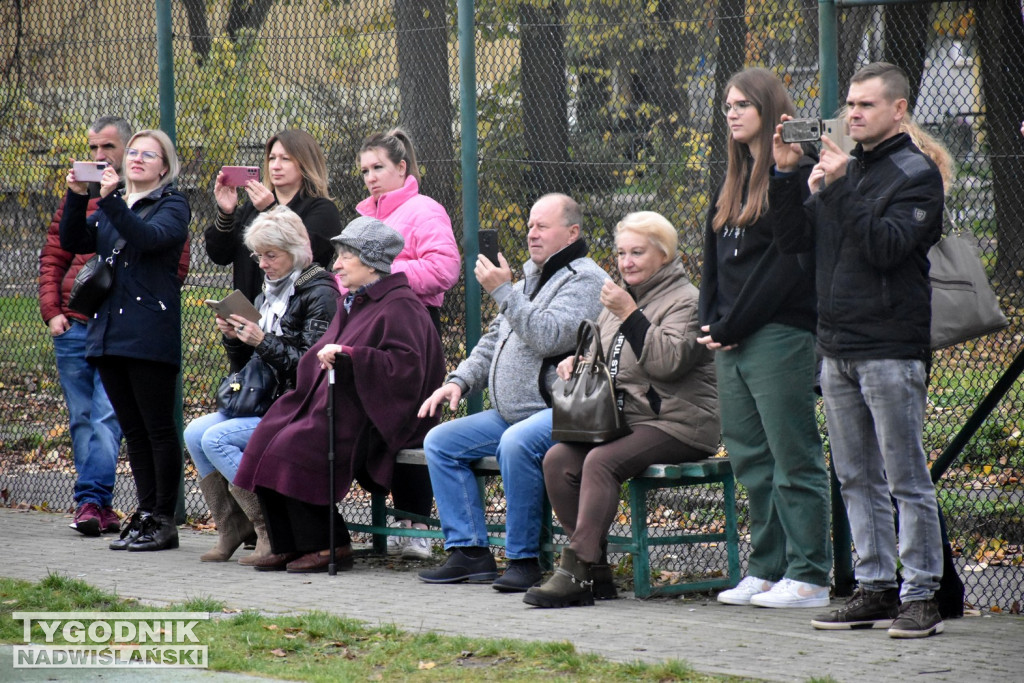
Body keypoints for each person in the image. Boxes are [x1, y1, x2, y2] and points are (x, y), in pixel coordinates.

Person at [770, 62, 945, 638]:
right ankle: (874, 588)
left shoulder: (915, 173)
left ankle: (921, 595)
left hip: (890, 347)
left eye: (866, 105)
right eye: (849, 104)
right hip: (836, 346)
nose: (853, 114)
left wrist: (841, 187)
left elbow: (888, 247)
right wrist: (789, 175)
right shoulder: (843, 171)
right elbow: (796, 247)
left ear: (898, 110)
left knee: (905, 476)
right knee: (855, 476)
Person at [523, 211, 720, 608]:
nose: (626, 261)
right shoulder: (618, 298)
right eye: (621, 253)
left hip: (678, 422)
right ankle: (596, 574)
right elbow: (603, 357)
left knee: (600, 462)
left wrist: (630, 313)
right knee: (558, 459)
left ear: (664, 255)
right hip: (624, 420)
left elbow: (668, 363)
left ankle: (576, 567)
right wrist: (575, 364)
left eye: (637, 253)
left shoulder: (688, 300)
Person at [231, 216, 445, 573]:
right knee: (267, 434)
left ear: (372, 261)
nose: (336, 265)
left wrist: (351, 357)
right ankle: (288, 543)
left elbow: (408, 369)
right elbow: (317, 353)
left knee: (294, 444)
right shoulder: (358, 302)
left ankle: (329, 542)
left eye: (346, 257)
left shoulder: (400, 306)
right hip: (331, 403)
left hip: (373, 416)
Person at [417, 193, 607, 592]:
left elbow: (549, 336)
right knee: (440, 441)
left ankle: (525, 559)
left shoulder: (586, 280)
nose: (531, 234)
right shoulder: (526, 281)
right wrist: (458, 381)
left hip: (558, 408)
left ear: (572, 232)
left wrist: (505, 293)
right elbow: (492, 342)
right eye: (529, 226)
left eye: (542, 226)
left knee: (516, 443)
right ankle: (469, 551)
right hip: (509, 411)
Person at [696, 67, 833, 609]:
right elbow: (712, 265)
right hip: (730, 339)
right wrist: (711, 322)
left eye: (743, 104)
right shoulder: (731, 178)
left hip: (778, 334)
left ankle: (809, 575)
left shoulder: (795, 174)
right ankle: (767, 568)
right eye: (727, 104)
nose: (731, 112)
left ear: (773, 112)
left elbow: (786, 267)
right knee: (751, 457)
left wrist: (735, 324)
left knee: (791, 455)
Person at [59, 129, 191, 552]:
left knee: (157, 429)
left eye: (148, 155)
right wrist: (80, 196)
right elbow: (74, 241)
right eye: (132, 152)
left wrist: (111, 199)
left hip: (149, 332)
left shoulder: (172, 205)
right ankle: (146, 512)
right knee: (133, 431)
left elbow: (148, 239)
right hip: (108, 332)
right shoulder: (114, 207)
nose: (136, 159)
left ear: (164, 167)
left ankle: (163, 519)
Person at [184, 206, 338, 563]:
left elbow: (310, 366)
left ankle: (270, 527)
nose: (262, 264)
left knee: (216, 438)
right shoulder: (269, 293)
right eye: (258, 255)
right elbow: (248, 369)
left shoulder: (319, 293)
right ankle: (232, 526)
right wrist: (235, 338)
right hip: (266, 400)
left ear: (295, 252)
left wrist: (262, 340)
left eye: (271, 255)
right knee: (194, 432)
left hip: (299, 404)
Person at [355, 128, 461, 560]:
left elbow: (444, 268)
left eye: (379, 167)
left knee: (414, 425)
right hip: (372, 328)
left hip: (414, 328)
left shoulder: (424, 210)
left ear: (402, 167)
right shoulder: (364, 219)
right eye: (364, 170)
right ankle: (400, 523)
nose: (371, 177)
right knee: (382, 423)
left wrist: (384, 274)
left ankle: (418, 527)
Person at [39, 116, 130, 537]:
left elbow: (172, 263)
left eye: (107, 147)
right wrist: (52, 311)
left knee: (106, 418)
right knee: (81, 418)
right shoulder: (76, 198)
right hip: (72, 326)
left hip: (117, 328)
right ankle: (99, 506)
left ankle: (90, 499)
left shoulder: (142, 198)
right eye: (93, 148)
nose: (98, 156)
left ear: (128, 149)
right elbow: (54, 255)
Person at [205, 129, 341, 302]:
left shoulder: (322, 210)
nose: (275, 166)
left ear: (306, 163)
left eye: (285, 159)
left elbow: (303, 256)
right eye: (272, 158)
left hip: (296, 311)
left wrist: (271, 210)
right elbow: (219, 255)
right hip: (250, 311)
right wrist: (226, 212)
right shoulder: (251, 209)